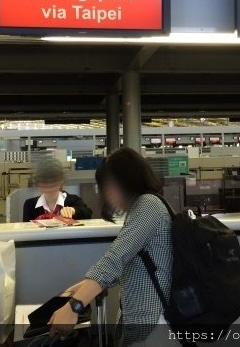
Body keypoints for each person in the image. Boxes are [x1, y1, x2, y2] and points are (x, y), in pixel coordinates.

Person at [49, 148, 176, 346]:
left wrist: (75, 306)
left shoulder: (148, 205)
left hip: (154, 325)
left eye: (109, 187)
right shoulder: (142, 208)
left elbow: (116, 259)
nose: (106, 194)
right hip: (146, 323)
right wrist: (80, 288)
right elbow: (129, 265)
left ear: (126, 181)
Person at [22, 158, 92, 221]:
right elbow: (27, 230)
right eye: (44, 182)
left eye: (53, 182)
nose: (49, 186)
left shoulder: (74, 200)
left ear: (61, 181)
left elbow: (87, 213)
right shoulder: (30, 205)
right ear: (38, 183)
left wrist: (73, 210)